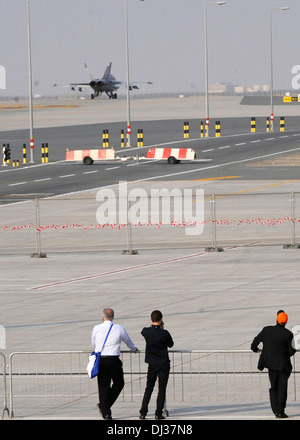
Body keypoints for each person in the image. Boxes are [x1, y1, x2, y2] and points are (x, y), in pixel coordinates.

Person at [91, 308, 138, 420]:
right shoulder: (119, 328)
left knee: (103, 386)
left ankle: (106, 411)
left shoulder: (96, 328)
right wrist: (133, 348)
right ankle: (105, 407)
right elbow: (128, 341)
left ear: (103, 317)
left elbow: (93, 342)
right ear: (113, 317)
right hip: (113, 360)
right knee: (119, 383)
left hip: (101, 359)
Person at [251, 310, 296, 418]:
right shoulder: (288, 334)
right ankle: (280, 411)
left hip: (271, 365)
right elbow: (291, 352)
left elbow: (253, 345)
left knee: (273, 387)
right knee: (282, 388)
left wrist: (257, 350)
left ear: (276, 319)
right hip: (283, 366)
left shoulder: (266, 330)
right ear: (285, 322)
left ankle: (275, 410)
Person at [139, 310, 174, 420]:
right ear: (161, 319)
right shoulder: (164, 333)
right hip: (163, 363)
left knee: (149, 387)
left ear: (151, 319)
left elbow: (143, 331)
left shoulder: (146, 331)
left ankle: (143, 412)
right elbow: (171, 344)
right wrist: (162, 329)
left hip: (152, 363)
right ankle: (158, 413)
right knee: (161, 389)